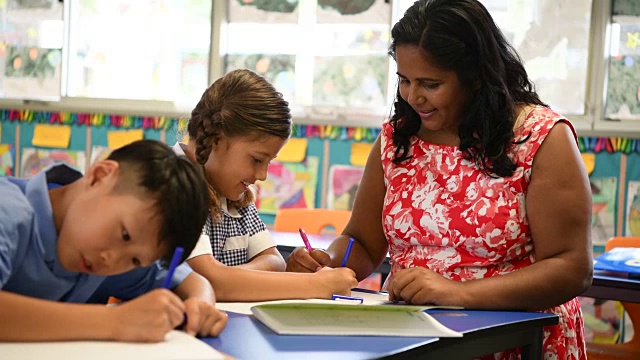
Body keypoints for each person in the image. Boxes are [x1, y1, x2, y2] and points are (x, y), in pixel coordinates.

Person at [286, 1, 592, 359]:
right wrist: (328, 261)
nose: (413, 97)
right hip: (417, 339)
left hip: (518, 342)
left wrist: (457, 292)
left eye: (430, 84)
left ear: (476, 76)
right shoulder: (397, 139)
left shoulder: (540, 138)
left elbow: (571, 268)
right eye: (404, 80)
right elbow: (363, 242)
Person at [0, 140, 227, 342]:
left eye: (136, 260)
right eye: (125, 234)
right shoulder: (8, 211)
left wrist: (200, 304)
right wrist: (113, 321)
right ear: (100, 177)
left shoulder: (108, 257)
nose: (112, 261)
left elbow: (190, 280)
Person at [176, 69, 358, 301]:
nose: (262, 175)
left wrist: (229, 278)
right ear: (217, 139)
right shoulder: (176, 183)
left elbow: (274, 261)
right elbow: (209, 281)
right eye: (257, 160)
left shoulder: (235, 194)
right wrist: (314, 285)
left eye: (268, 162)